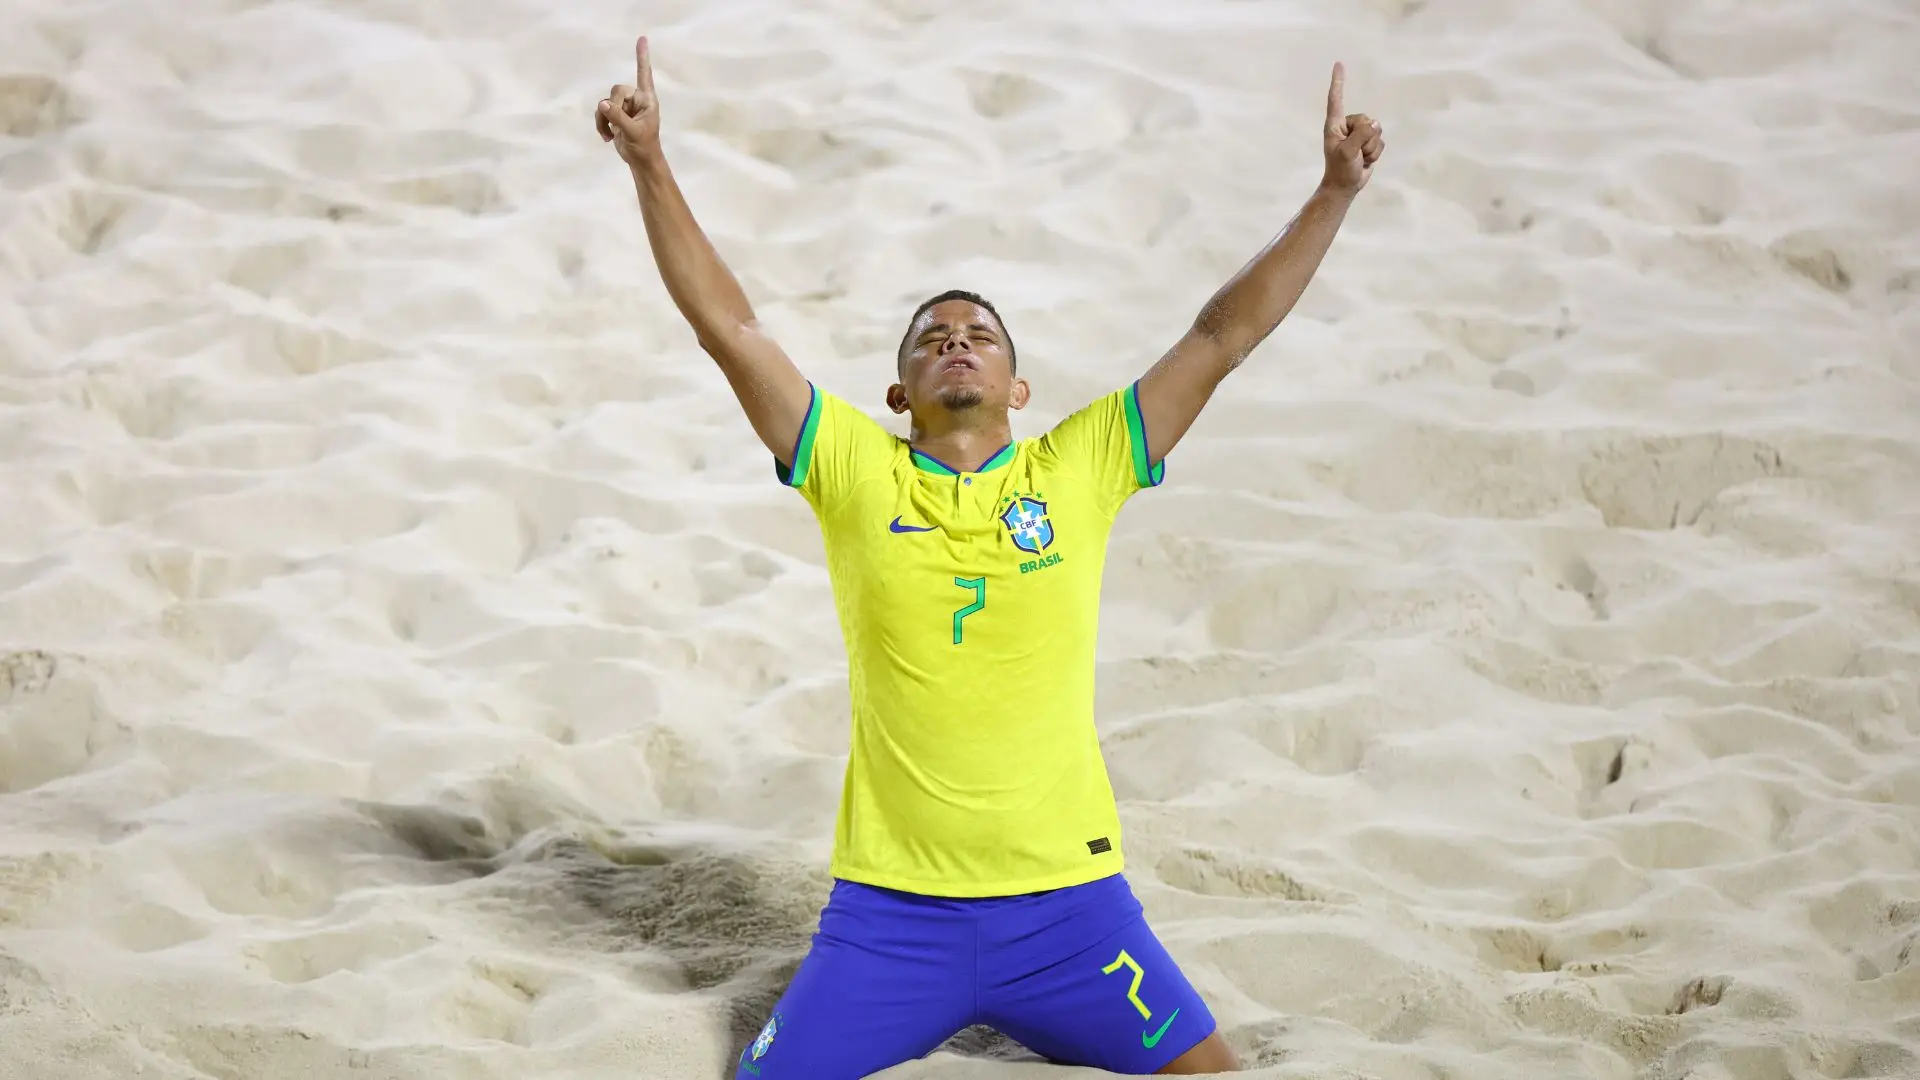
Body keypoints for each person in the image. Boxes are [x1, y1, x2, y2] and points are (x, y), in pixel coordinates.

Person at [596, 34, 1384, 1080]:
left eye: (980, 334)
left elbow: (1220, 335)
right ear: (898, 394)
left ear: (1019, 389)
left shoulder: (1085, 462)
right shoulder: (851, 468)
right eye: (931, 336)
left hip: (1072, 917)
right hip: (887, 925)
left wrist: (1332, 192)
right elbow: (730, 328)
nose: (956, 340)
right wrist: (651, 164)